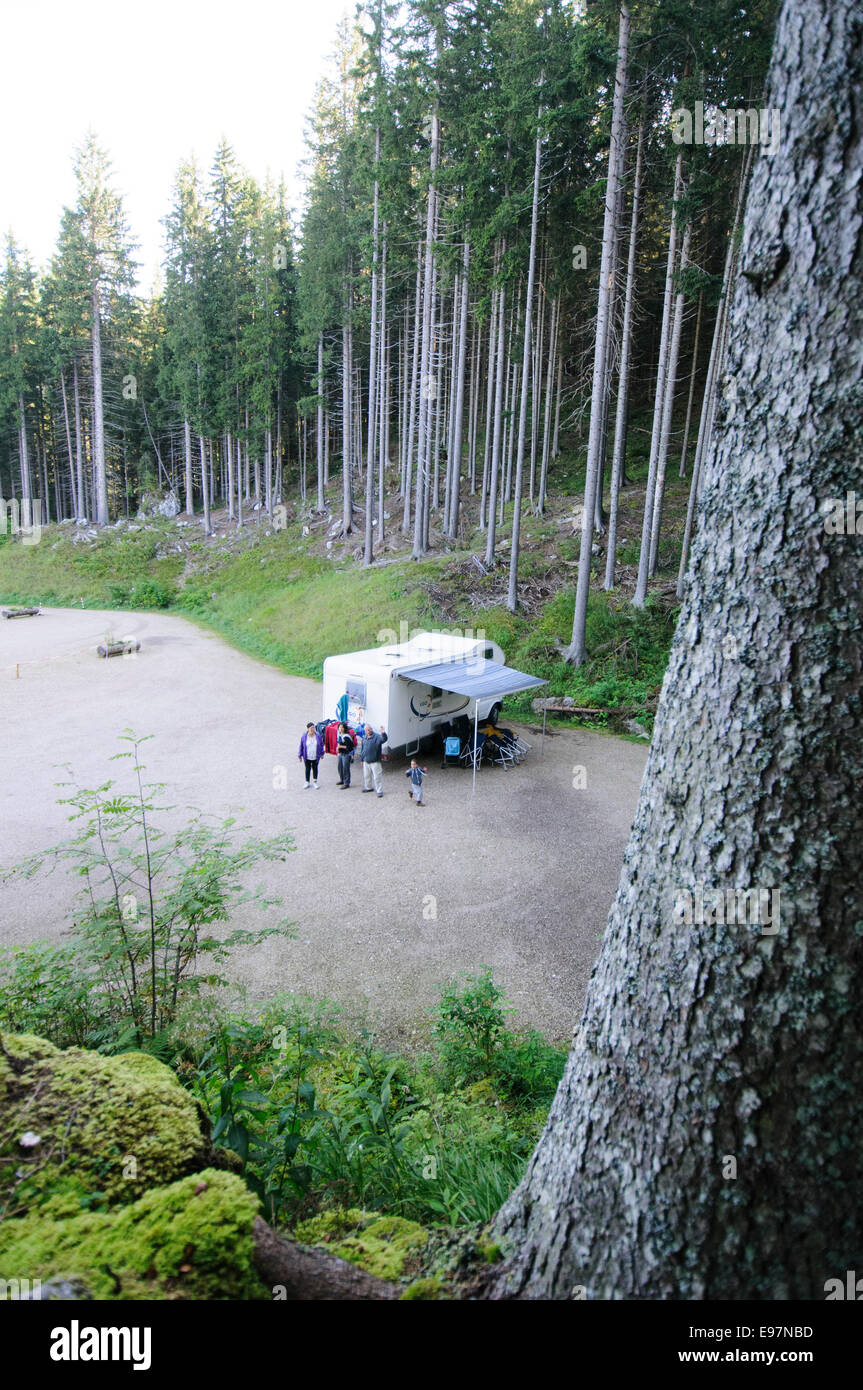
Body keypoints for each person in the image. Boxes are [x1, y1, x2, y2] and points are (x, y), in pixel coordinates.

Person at [360, 724, 387, 797]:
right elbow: (362, 750)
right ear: (365, 731)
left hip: (375, 761)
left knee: (377, 777)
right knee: (366, 776)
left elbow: (384, 739)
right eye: (366, 730)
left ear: (371, 729)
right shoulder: (364, 738)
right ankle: (368, 787)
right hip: (366, 761)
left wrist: (383, 733)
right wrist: (362, 759)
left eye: (369, 729)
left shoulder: (377, 737)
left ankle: (379, 790)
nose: (368, 731)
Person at [298, 721, 324, 788]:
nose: (312, 729)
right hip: (307, 756)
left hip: (315, 755)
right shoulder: (304, 736)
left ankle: (315, 782)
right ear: (308, 728)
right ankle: (307, 782)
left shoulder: (318, 736)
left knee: (315, 768)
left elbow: (321, 745)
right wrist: (300, 756)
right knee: (307, 769)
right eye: (311, 728)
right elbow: (301, 746)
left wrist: (322, 753)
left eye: (313, 728)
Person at [336, 721, 356, 788]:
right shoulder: (339, 735)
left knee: (345, 768)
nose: (340, 728)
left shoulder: (346, 737)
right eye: (339, 727)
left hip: (346, 754)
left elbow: (350, 747)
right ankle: (342, 780)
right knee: (340, 767)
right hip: (340, 753)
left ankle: (346, 783)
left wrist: (340, 747)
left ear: (345, 728)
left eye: (342, 727)